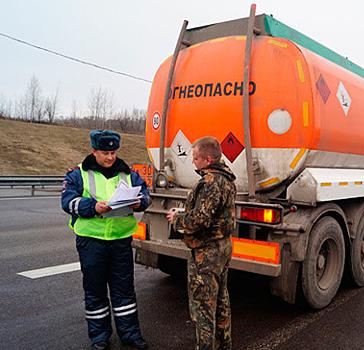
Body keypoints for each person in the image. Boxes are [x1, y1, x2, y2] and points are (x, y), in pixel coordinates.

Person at [61, 130, 151, 350]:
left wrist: (140, 203)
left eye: (113, 152)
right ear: (94, 151)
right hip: (91, 241)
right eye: (105, 153)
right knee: (95, 291)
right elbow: (67, 202)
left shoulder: (128, 173)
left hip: (120, 241)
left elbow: (145, 194)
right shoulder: (77, 174)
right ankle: (99, 337)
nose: (110, 157)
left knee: (125, 290)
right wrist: (93, 207)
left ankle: (130, 334)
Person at [167, 136, 236, 350]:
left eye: (195, 158)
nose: (192, 162)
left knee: (203, 308)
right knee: (221, 301)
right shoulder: (226, 178)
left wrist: (176, 219)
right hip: (222, 246)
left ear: (207, 159)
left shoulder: (211, 182)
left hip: (207, 251)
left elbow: (199, 220)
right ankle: (224, 345)